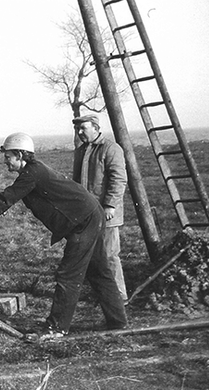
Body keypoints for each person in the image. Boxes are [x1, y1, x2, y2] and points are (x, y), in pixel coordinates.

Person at [0, 132, 127, 339]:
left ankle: (56, 328)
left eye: (8, 156)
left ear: (20, 154)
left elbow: (6, 198)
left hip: (84, 222)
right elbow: (9, 199)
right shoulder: (32, 172)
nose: (5, 161)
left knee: (68, 274)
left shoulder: (33, 173)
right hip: (90, 217)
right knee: (99, 271)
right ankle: (118, 322)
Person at [72, 113, 128, 303]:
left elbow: (118, 179)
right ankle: (101, 293)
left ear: (96, 129)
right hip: (87, 213)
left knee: (109, 255)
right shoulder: (81, 151)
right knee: (92, 256)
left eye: (83, 128)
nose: (80, 132)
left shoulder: (111, 149)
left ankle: (118, 296)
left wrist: (110, 205)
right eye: (78, 129)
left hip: (107, 213)